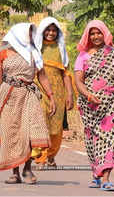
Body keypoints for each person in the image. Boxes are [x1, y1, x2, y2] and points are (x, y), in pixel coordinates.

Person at [0, 23, 56, 184]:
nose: (32, 37)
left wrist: (51, 96)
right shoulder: (3, 54)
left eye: (33, 34)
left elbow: (42, 76)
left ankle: (27, 169)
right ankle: (15, 173)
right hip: (9, 97)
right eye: (29, 34)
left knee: (32, 132)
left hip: (29, 95)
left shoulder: (34, 52)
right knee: (12, 133)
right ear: (18, 34)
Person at [74, 20, 114, 191]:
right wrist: (89, 95)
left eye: (99, 33)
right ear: (87, 36)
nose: (96, 36)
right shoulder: (83, 56)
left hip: (113, 104)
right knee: (91, 141)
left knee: (108, 138)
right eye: (92, 33)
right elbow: (79, 81)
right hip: (90, 106)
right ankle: (96, 173)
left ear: (105, 34)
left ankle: (105, 178)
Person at [32, 17, 74, 166]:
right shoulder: (35, 48)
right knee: (40, 121)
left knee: (55, 126)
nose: (51, 33)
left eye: (54, 30)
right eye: (48, 30)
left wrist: (69, 94)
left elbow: (66, 74)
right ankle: (39, 155)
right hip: (38, 90)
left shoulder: (60, 48)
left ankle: (51, 155)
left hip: (58, 92)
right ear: (42, 31)